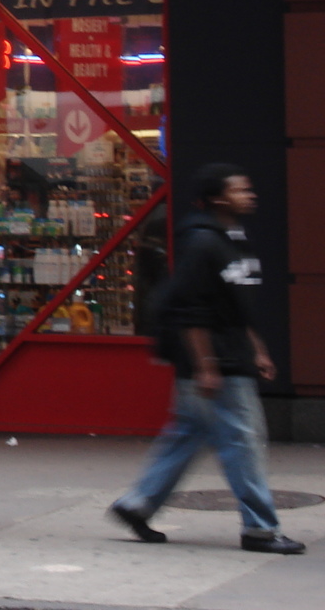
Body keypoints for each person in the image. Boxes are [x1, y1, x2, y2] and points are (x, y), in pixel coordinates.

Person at [109, 164, 306, 554]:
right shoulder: (203, 244)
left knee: (187, 435)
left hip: (225, 357)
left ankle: (138, 504)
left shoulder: (234, 239)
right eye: (240, 190)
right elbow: (191, 308)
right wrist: (206, 365)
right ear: (218, 198)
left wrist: (258, 349)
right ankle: (260, 529)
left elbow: (236, 304)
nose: (249, 194)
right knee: (244, 443)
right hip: (217, 363)